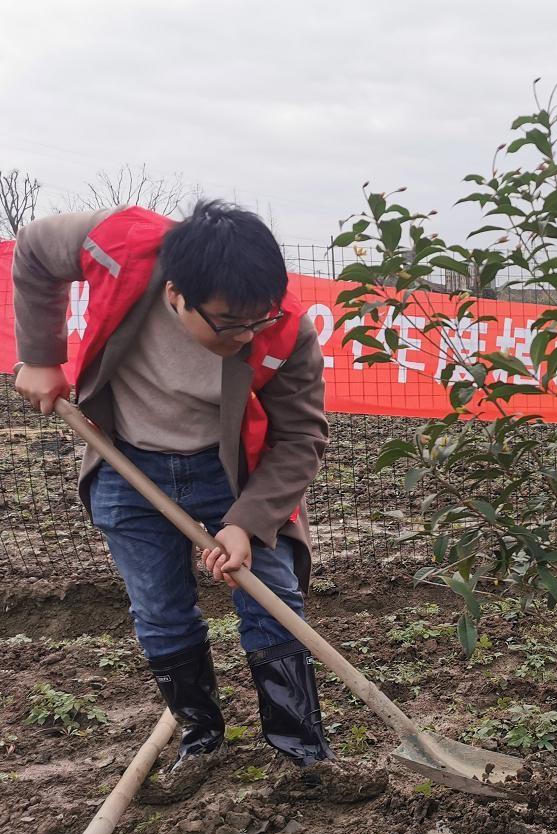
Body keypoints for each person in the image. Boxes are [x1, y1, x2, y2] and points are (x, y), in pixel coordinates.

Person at [12, 200, 383, 803]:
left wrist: (246, 524)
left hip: (228, 469)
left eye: (256, 322)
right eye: (230, 324)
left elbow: (300, 438)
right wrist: (42, 355)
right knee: (159, 608)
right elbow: (32, 251)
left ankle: (302, 757)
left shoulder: (284, 330)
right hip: (128, 462)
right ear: (176, 294)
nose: (246, 337)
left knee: (275, 600)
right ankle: (201, 738)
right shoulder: (118, 248)